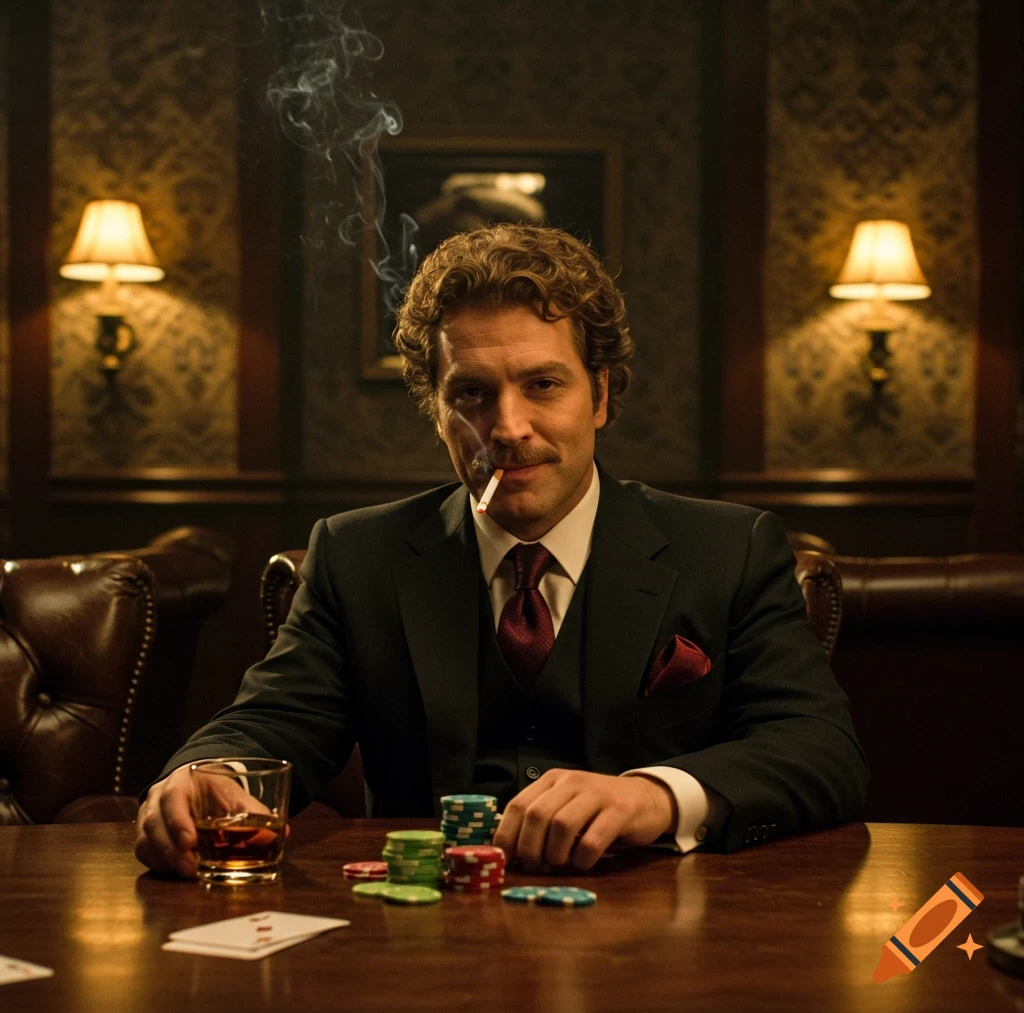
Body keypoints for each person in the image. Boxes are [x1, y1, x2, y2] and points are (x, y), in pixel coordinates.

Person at [134, 224, 869, 879]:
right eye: (473, 394)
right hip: (418, 945)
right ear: (438, 410)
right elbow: (270, 722)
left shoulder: (729, 549)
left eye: (543, 384)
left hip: (660, 929)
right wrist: (205, 772)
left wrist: (652, 796)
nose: (508, 426)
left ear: (601, 395)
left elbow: (820, 750)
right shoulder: (359, 555)